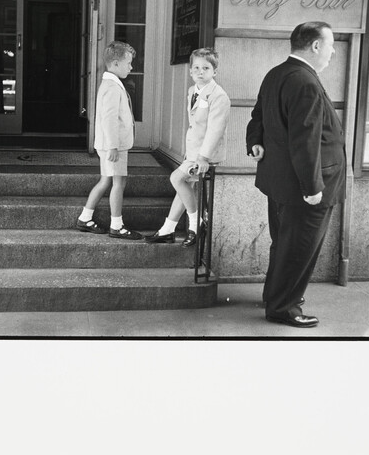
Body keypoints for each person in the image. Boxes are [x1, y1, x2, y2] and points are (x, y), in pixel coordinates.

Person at [245, 21, 346, 328]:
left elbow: (258, 115)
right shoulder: (305, 81)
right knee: (299, 249)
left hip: (280, 182)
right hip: (306, 187)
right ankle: (283, 308)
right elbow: (306, 140)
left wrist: (255, 141)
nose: (331, 53)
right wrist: (312, 187)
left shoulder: (277, 73)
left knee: (284, 243)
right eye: (329, 46)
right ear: (315, 46)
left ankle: (274, 296)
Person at [145, 48, 230, 246]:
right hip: (193, 152)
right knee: (184, 187)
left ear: (214, 72)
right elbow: (195, 125)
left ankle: (196, 222)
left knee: (177, 178)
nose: (201, 72)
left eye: (206, 68)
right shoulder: (193, 91)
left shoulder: (219, 96)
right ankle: (168, 229)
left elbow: (215, 130)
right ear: (191, 71)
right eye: (197, 68)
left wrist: (203, 157)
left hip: (205, 154)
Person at [75, 41, 143, 240]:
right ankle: (117, 225)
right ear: (115, 63)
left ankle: (85, 218)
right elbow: (109, 118)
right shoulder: (112, 87)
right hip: (114, 147)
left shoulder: (111, 84)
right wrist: (113, 145)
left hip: (110, 146)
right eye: (128, 63)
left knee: (106, 181)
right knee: (118, 184)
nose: (131, 67)